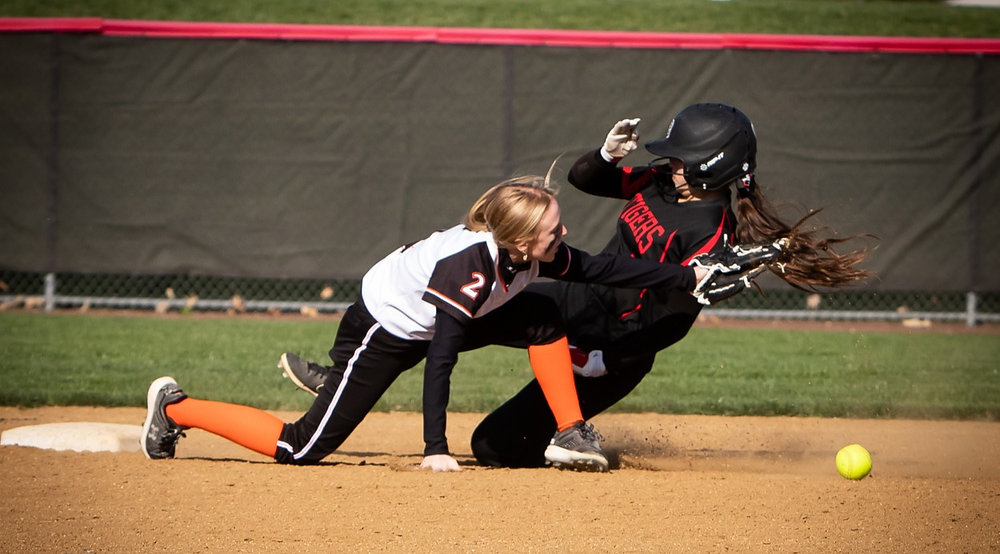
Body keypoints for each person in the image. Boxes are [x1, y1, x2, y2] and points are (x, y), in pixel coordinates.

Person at [280, 103, 873, 469]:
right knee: (461, 311)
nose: (668, 164)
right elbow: (590, 180)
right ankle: (348, 379)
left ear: (713, 166)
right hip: (574, 300)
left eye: (681, 157)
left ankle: (575, 436)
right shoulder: (662, 188)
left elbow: (691, 292)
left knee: (494, 448)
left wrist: (716, 279)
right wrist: (604, 152)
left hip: (614, 346)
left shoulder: (710, 228)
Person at [142, 173, 740, 472]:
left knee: (543, 317)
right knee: (301, 448)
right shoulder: (470, 271)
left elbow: (604, 269)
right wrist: (435, 448)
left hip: (430, 316)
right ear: (522, 239)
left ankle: (569, 431)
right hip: (388, 329)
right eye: (554, 229)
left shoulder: (533, 250)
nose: (564, 236)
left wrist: (688, 279)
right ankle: (173, 408)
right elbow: (442, 357)